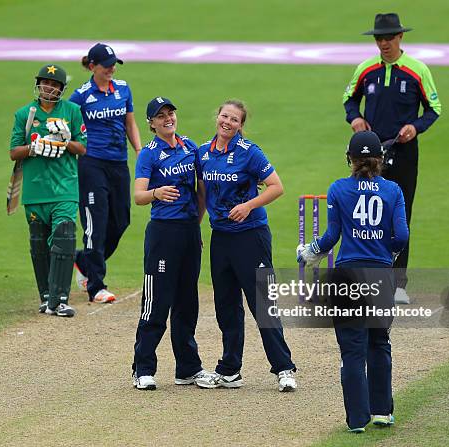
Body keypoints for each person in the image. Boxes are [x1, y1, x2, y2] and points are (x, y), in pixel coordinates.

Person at [297, 130, 409, 432]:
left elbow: (331, 237)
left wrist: (310, 253)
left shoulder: (339, 189)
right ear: (380, 160)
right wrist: (387, 252)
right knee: (379, 342)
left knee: (351, 349)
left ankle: (357, 420)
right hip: (381, 274)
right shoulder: (393, 191)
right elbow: (402, 236)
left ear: (350, 159)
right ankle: (382, 411)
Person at [193, 99, 297, 392]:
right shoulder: (203, 153)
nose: (227, 122)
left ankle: (284, 368)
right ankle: (229, 370)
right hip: (221, 237)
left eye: (234, 119)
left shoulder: (249, 152)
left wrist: (248, 206)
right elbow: (203, 194)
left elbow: (277, 186)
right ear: (217, 117)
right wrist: (195, 227)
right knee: (226, 306)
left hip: (252, 236)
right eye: (224, 116)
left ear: (241, 125)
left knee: (263, 305)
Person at [343, 13, 441, 304]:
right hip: (369, 154)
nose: (384, 43)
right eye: (379, 38)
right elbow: (349, 98)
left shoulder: (416, 70)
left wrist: (416, 127)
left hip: (404, 152)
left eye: (389, 38)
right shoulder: (366, 69)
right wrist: (356, 118)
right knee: (365, 213)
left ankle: (397, 284)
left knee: (400, 215)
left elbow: (433, 108)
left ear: (400, 37)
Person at [131, 96, 210, 390]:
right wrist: (157, 193)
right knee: (157, 302)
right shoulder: (149, 154)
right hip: (163, 233)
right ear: (151, 123)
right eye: (161, 116)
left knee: (187, 301)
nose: (168, 119)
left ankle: (188, 368)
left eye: (171, 113)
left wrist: (196, 226)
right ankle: (143, 368)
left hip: (189, 232)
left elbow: (202, 191)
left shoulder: (190, 147)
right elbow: (138, 196)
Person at [9, 64, 87, 317]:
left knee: (64, 238)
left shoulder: (73, 111)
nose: (49, 88)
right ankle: (46, 298)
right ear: (38, 85)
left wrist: (64, 141)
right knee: (39, 245)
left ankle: (60, 300)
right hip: (34, 190)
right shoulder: (25, 114)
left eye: (54, 84)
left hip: (65, 187)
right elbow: (14, 152)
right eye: (45, 83)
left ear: (62, 88)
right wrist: (35, 147)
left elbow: (82, 148)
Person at [69, 43, 142, 304]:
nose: (111, 68)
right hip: (91, 164)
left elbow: (129, 123)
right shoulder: (80, 96)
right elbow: (66, 126)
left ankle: (82, 260)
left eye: (113, 63)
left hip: (118, 164)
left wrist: (139, 150)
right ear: (92, 67)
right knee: (95, 225)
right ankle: (96, 286)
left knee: (121, 221)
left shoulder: (122, 89)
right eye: (106, 64)